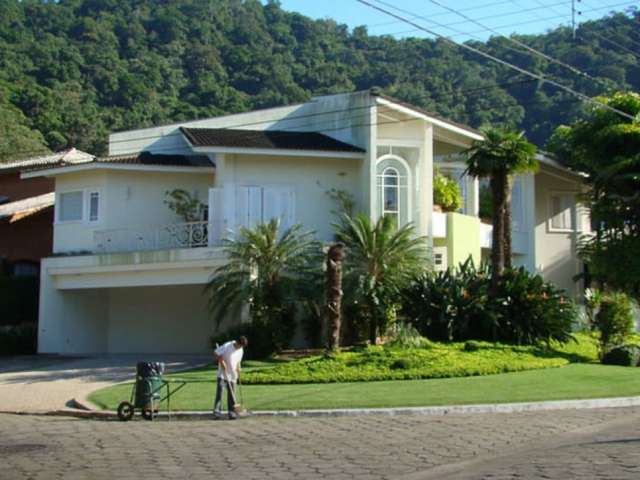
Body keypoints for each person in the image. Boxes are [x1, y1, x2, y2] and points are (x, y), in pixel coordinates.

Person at [213, 336, 248, 419]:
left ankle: (231, 412)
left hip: (233, 375)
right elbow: (216, 353)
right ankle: (217, 412)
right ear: (237, 342)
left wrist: (239, 367)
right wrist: (222, 362)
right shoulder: (227, 345)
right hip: (222, 374)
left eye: (242, 347)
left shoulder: (241, 350)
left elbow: (238, 361)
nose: (240, 348)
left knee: (232, 395)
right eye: (240, 346)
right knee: (220, 393)